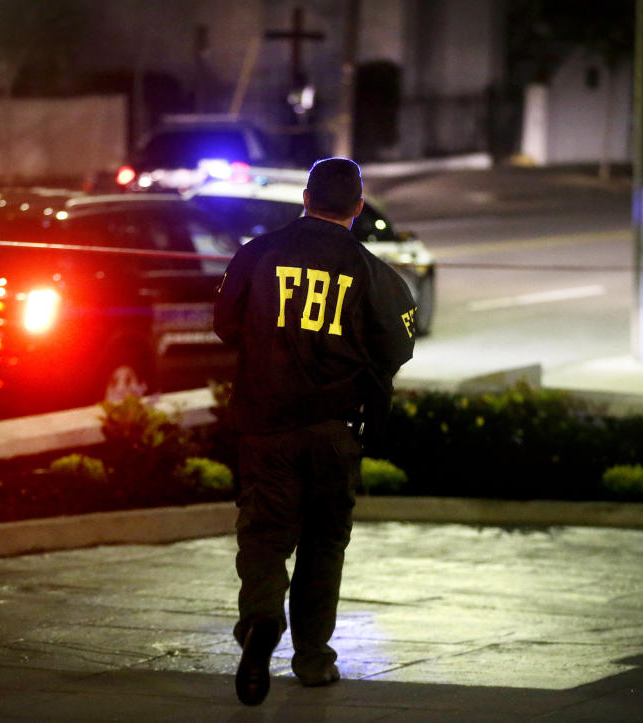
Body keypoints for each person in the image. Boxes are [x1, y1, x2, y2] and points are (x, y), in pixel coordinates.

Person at [214, 157, 417, 706]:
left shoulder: (257, 255)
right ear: (356, 208)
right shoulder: (374, 272)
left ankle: (260, 623)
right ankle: (313, 658)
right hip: (335, 429)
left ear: (304, 198)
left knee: (264, 537)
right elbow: (397, 347)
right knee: (324, 544)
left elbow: (225, 325)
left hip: (265, 425)